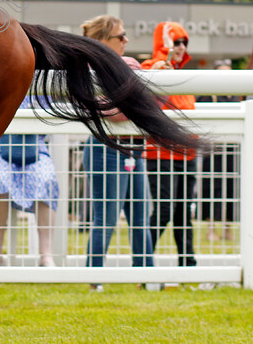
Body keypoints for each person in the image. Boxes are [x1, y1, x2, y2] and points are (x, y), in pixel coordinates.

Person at [80, 15, 154, 291]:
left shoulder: (125, 66)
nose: (126, 40)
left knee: (140, 215)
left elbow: (141, 105)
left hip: (133, 148)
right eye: (120, 36)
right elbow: (112, 111)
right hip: (106, 147)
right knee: (107, 216)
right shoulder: (90, 70)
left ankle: (147, 278)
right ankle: (95, 280)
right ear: (101, 41)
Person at [0, 97, 58, 268]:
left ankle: (46, 254)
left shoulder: (39, 85)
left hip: (34, 148)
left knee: (46, 178)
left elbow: (48, 120)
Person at [141, 21, 198, 267]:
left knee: (183, 214)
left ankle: (188, 266)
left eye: (184, 42)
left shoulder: (184, 74)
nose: (181, 47)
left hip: (187, 154)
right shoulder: (150, 67)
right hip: (161, 153)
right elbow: (153, 80)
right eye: (176, 42)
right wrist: (163, 53)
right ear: (164, 44)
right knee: (164, 212)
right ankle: (143, 262)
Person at [196, 59, 240, 242]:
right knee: (211, 188)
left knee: (231, 188)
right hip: (212, 149)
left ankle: (227, 228)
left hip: (232, 150)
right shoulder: (208, 94)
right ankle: (211, 227)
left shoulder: (237, 95)